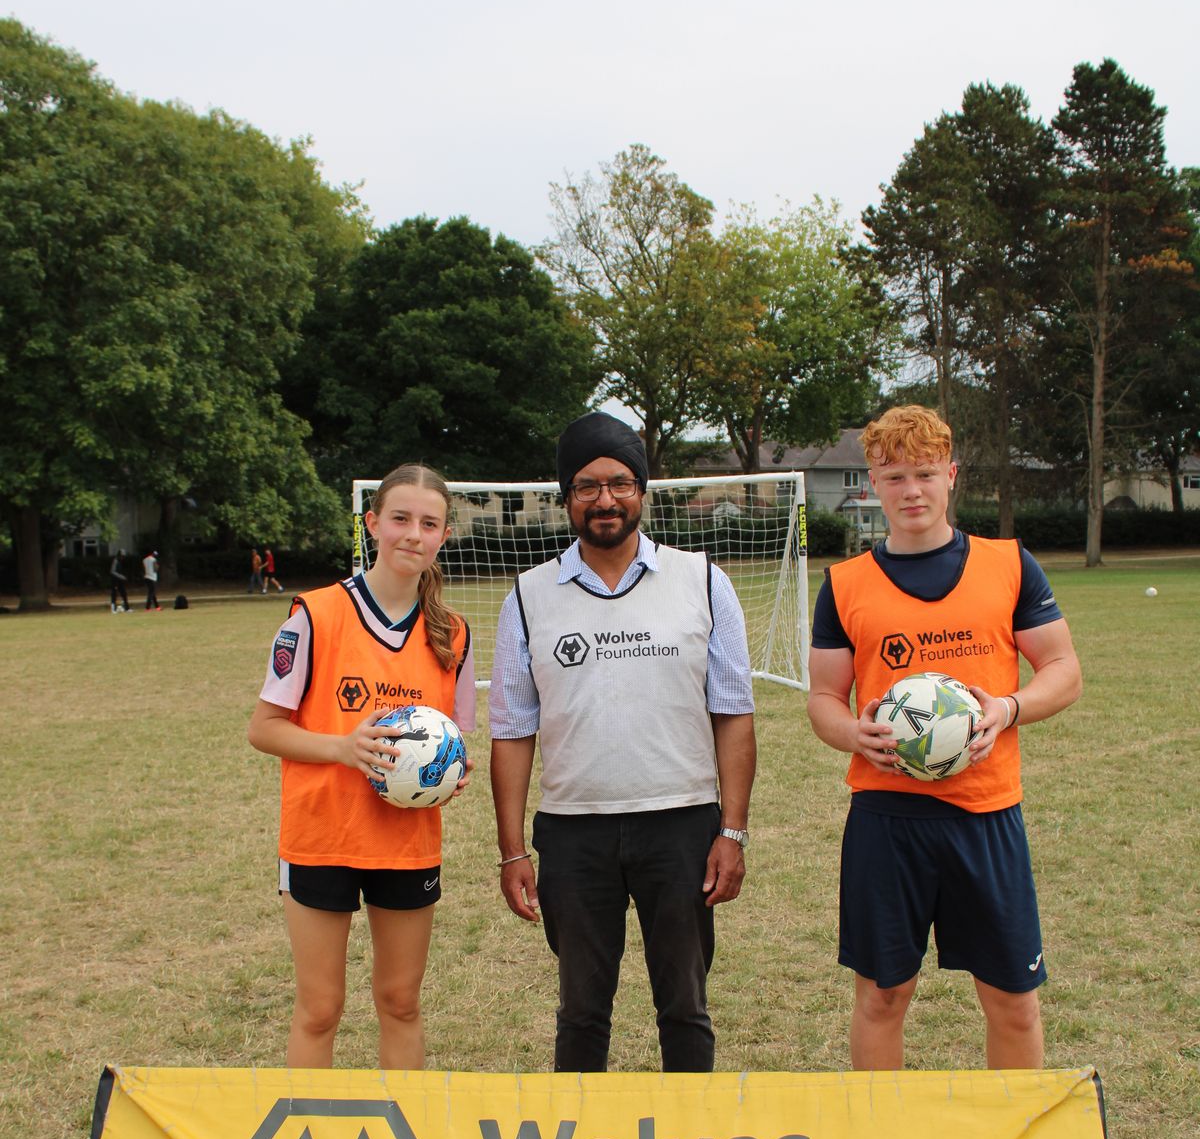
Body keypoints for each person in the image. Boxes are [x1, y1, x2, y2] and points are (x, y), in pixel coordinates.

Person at [806, 405, 1082, 1071]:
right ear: (873, 484)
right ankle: (884, 1133)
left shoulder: (1009, 565)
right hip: (887, 820)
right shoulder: (844, 584)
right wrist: (854, 734)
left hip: (985, 815)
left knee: (1014, 1001)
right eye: (895, 476)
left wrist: (1008, 709)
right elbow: (823, 700)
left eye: (925, 473)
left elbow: (1064, 670)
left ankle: (1011, 1131)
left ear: (951, 475)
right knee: (882, 998)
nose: (912, 490)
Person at [490, 412, 756, 1073]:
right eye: (587, 486)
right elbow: (512, 730)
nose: (604, 499)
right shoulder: (527, 596)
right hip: (573, 832)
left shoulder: (703, 580)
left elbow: (733, 714)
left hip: (681, 825)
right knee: (581, 1013)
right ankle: (579, 1137)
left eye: (620, 483)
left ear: (642, 490)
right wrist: (512, 849)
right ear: (567, 497)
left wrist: (732, 831)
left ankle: (689, 1132)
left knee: (685, 1007)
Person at [247, 464, 475, 1069]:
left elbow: (453, 738)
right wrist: (344, 749)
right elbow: (263, 729)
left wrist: (450, 771)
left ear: (445, 535)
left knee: (400, 1002)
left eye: (429, 523)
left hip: (406, 843)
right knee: (319, 1008)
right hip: (322, 836)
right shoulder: (315, 615)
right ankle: (310, 1130)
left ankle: (402, 1129)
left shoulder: (453, 634)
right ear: (372, 523)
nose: (413, 534)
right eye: (400, 518)